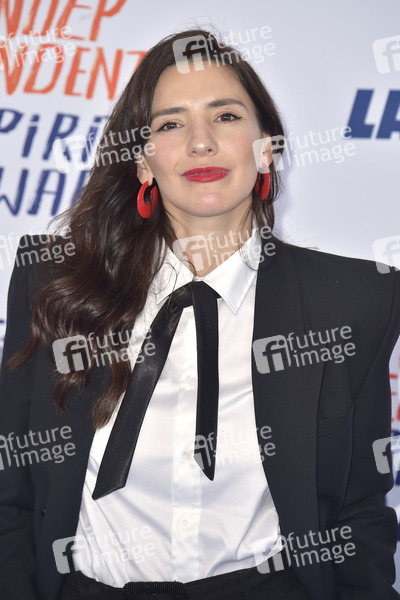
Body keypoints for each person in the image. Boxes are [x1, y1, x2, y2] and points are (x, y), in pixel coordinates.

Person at [0, 28, 399, 600]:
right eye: (170, 124)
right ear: (143, 163)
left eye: (226, 116)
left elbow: (359, 512)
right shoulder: (54, 284)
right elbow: (10, 495)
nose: (201, 142)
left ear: (266, 148)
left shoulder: (354, 298)